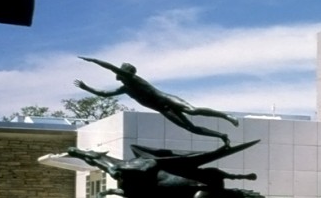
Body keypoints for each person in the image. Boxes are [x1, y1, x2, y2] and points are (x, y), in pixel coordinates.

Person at [75, 57, 238, 146]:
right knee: (191, 128)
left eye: (121, 71)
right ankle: (222, 136)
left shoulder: (134, 80)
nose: (117, 73)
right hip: (163, 109)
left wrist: (94, 61)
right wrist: (86, 87)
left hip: (167, 99)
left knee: (192, 110)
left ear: (126, 73)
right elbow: (104, 94)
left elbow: (112, 68)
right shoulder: (125, 89)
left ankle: (226, 116)